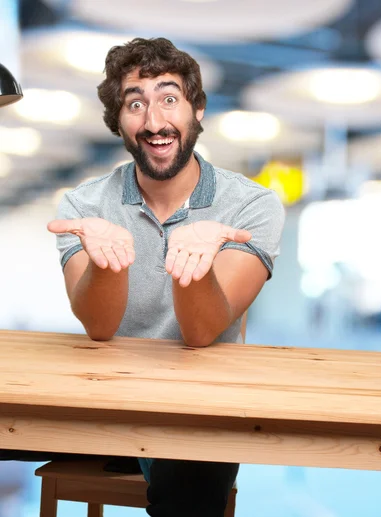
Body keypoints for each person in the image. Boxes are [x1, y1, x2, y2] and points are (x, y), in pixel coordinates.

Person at [0, 37, 285, 517]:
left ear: (197, 112)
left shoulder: (252, 206)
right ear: (119, 123)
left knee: (190, 491)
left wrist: (191, 263)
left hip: (197, 412)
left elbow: (200, 332)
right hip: (102, 403)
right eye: (135, 104)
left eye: (169, 98)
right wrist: (109, 264)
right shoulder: (84, 205)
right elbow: (99, 326)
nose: (154, 122)